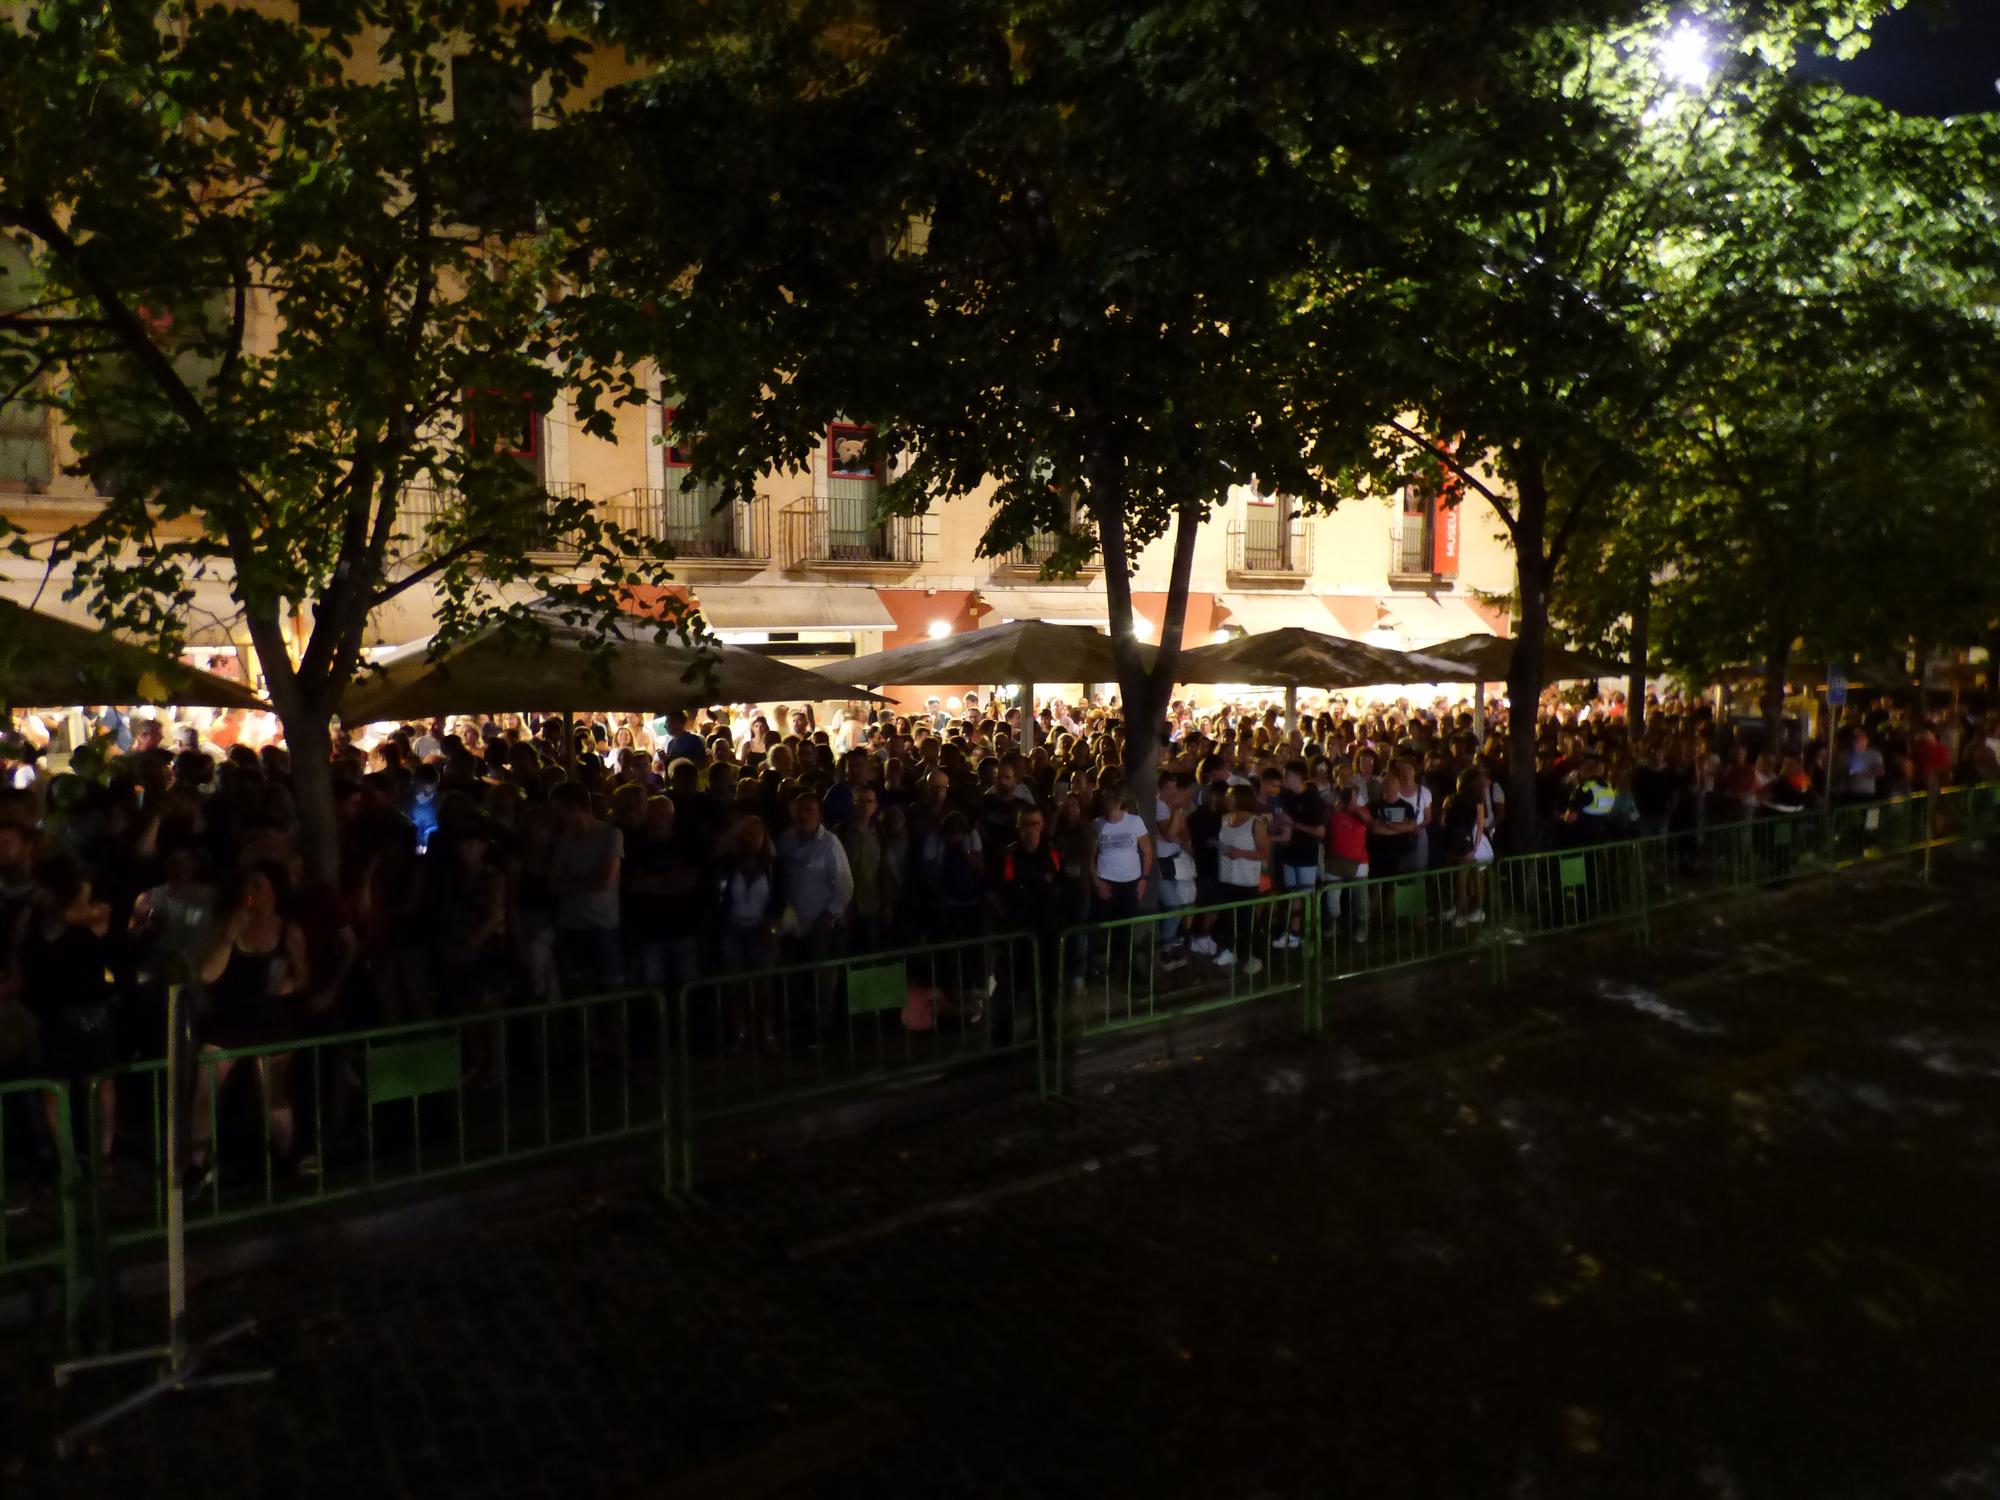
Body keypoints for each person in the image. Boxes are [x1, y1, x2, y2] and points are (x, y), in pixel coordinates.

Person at [190, 862, 310, 1189]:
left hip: (269, 1021)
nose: (251, 893)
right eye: (247, 886)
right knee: (204, 1092)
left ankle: (289, 1157)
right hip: (227, 1020)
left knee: (272, 1093)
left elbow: (302, 976)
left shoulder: (288, 930)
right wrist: (229, 934)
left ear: (274, 891)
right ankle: (198, 1166)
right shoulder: (227, 925)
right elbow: (206, 974)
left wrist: (289, 984)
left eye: (258, 885)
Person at [548, 783, 624, 993]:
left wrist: (570, 881)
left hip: (603, 925)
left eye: (558, 811)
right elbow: (554, 884)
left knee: (610, 989)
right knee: (577, 989)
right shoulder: (564, 840)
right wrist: (587, 881)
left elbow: (604, 880)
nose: (555, 817)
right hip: (571, 925)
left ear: (574, 808)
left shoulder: (611, 834)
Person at [1213, 785, 1267, 975]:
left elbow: (1263, 852)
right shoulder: (1224, 819)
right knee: (1228, 917)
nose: (1227, 799)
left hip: (1246, 879)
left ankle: (1254, 955)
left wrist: (1241, 853)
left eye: (1230, 796)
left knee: (1247, 921)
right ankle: (1231, 950)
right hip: (1226, 876)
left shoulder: (1256, 823)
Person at [1273, 760, 1325, 950]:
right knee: (1292, 895)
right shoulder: (1285, 796)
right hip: (1289, 854)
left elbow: (1320, 831)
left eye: (1287, 775)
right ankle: (1293, 933)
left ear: (1297, 777)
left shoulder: (1312, 799)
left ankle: (1307, 933)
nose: (1284, 778)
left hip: (1306, 856)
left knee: (1305, 896)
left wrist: (1294, 824)